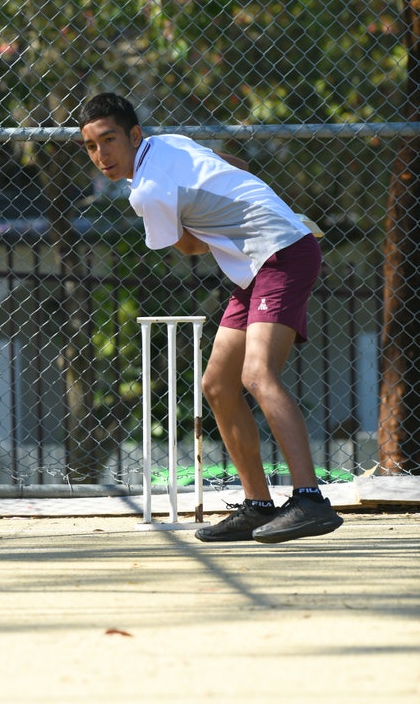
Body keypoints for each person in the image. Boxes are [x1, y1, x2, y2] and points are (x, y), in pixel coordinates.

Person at [77, 92, 343, 543]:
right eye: (91, 146)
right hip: (255, 264)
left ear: (134, 135)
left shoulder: (148, 192)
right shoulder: (170, 142)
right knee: (218, 385)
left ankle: (310, 500)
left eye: (109, 140)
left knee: (257, 374)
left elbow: (190, 247)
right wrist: (245, 207)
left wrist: (257, 219)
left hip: (281, 253)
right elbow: (232, 163)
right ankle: (257, 505)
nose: (101, 154)